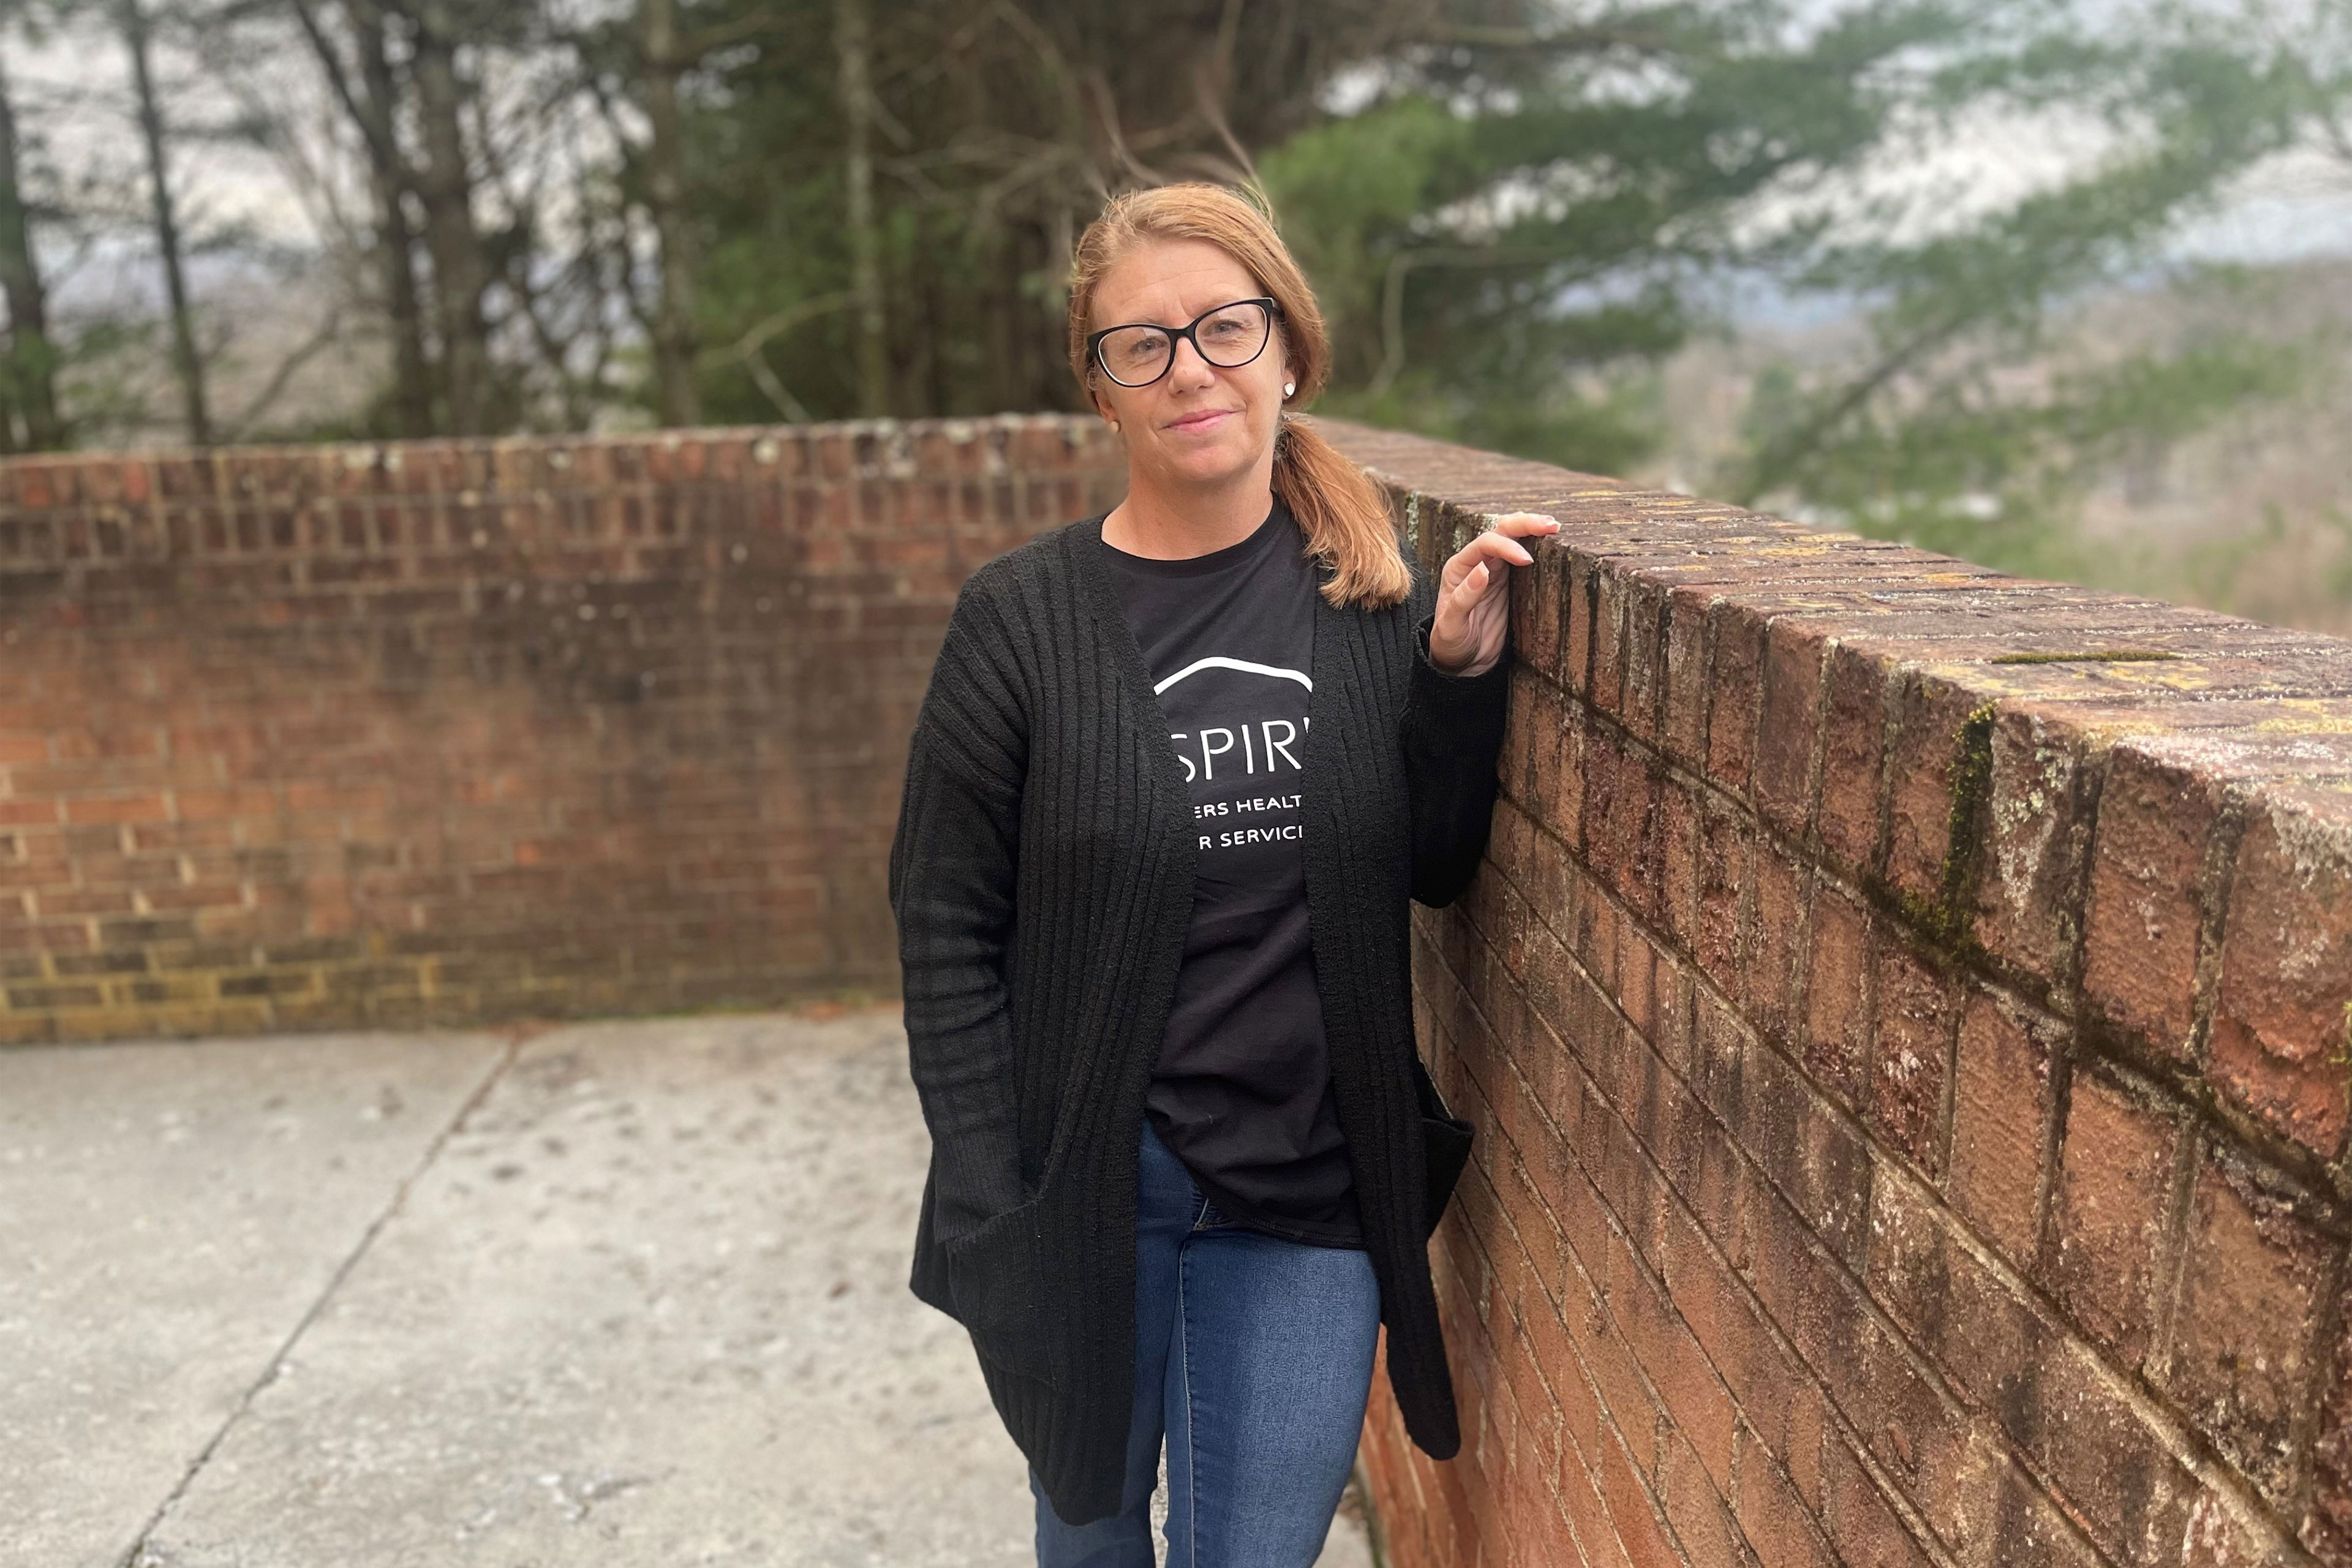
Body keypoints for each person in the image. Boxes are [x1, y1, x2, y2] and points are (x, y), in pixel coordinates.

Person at [888, 180, 1557, 1568]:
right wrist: (993, 1188)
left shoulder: (1372, 604)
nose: (1190, 366)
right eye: (1145, 343)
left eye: (1225, 328)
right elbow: (945, 924)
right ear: (1104, 390)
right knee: (1085, 1538)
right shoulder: (1021, 621)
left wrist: (1456, 681)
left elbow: (1433, 870)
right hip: (1084, 1190)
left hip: (1310, 1188)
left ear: (1290, 352)